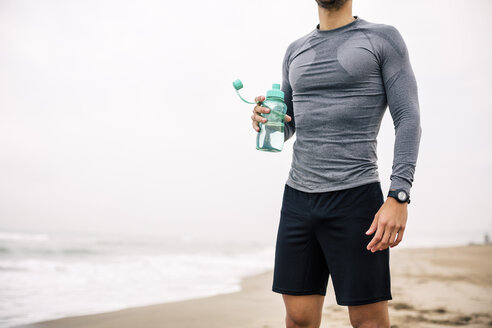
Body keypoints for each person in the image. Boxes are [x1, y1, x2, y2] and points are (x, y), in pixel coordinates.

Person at [250, 0, 422, 327]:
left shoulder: (382, 39)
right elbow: (290, 122)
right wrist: (267, 120)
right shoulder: (294, 50)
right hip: (298, 198)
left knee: (367, 321)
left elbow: (408, 118)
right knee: (298, 318)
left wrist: (399, 195)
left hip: (356, 197)